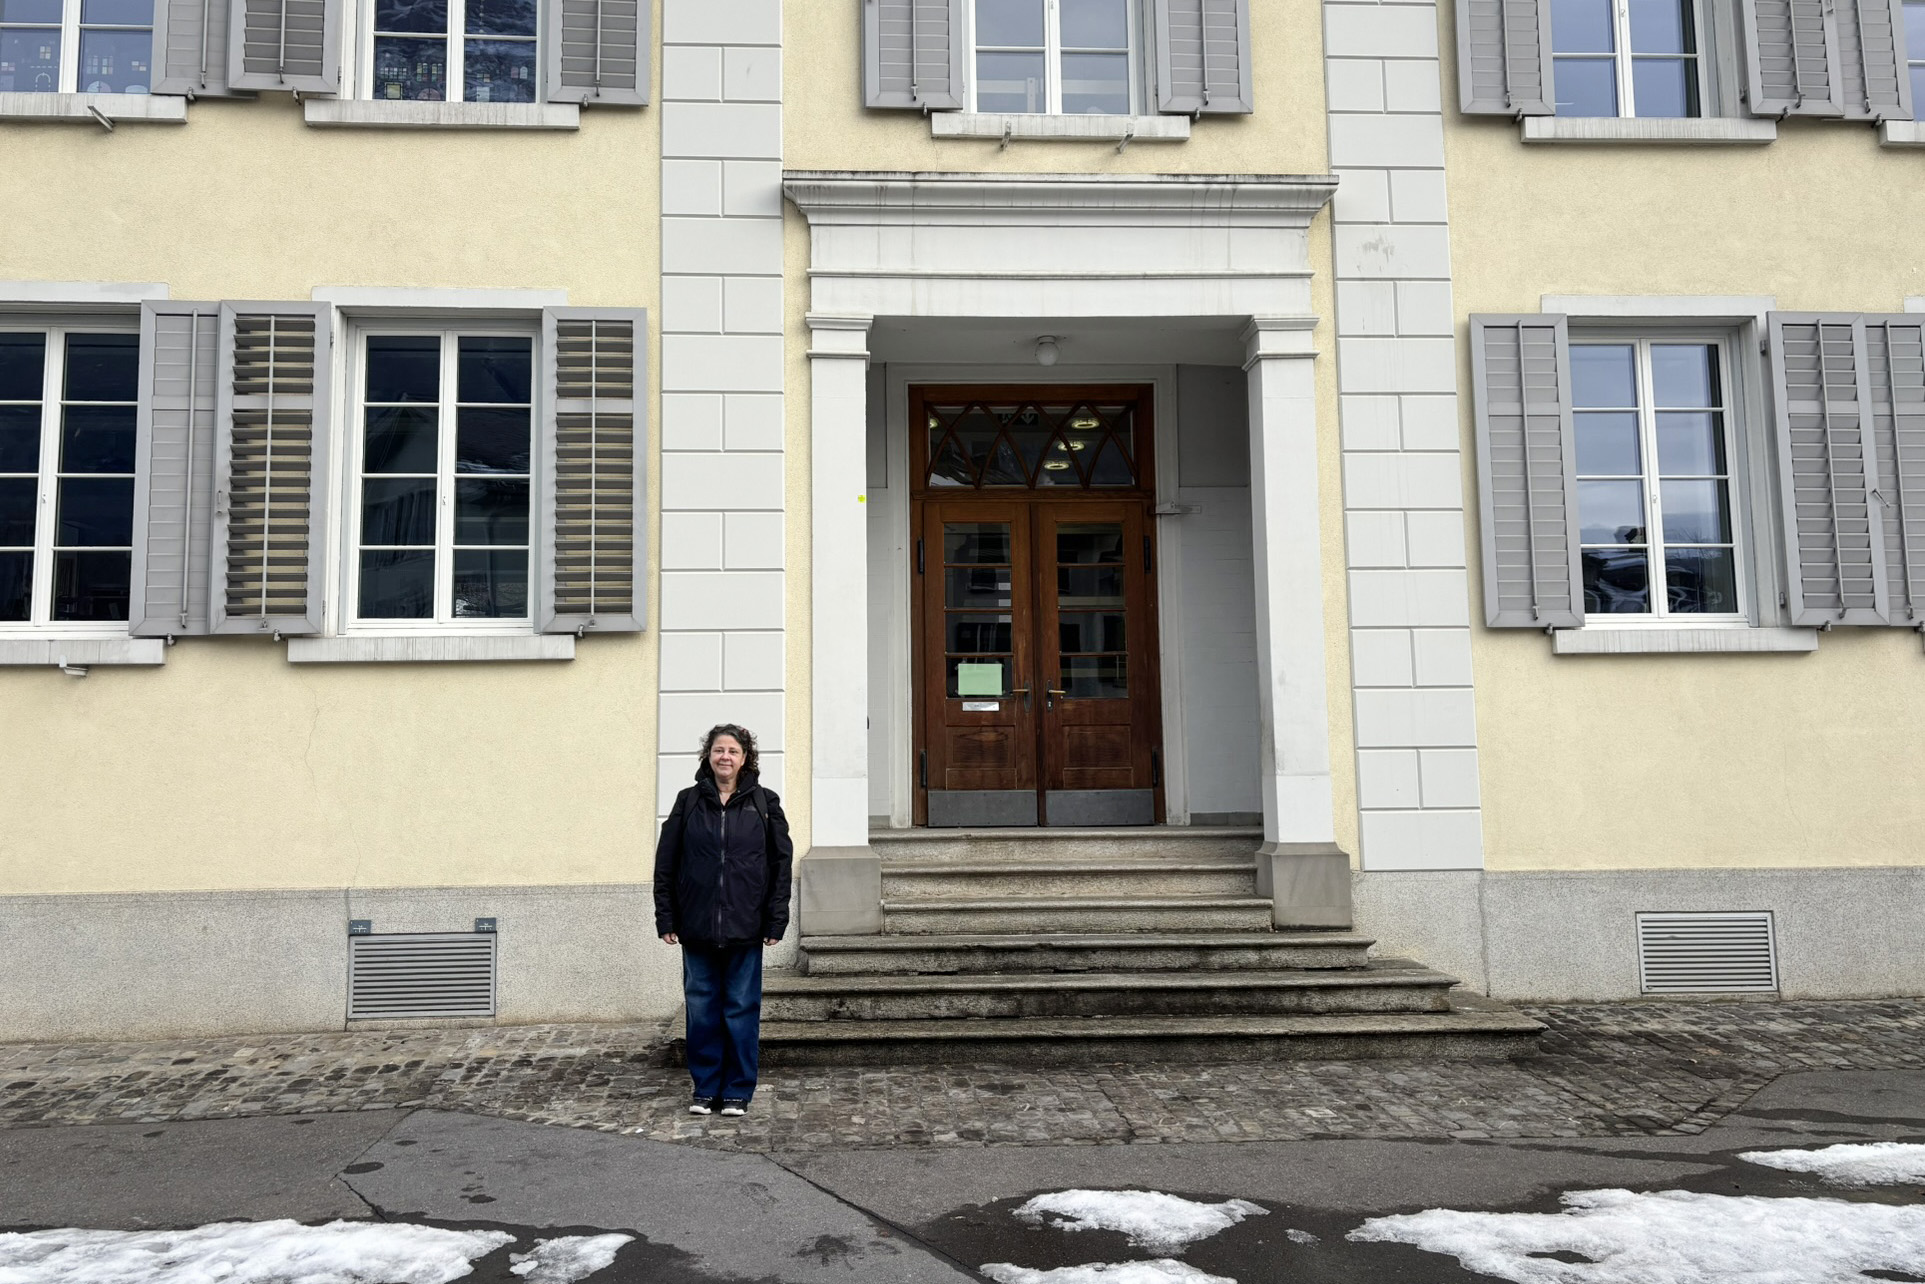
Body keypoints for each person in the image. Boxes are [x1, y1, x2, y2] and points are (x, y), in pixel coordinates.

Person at [653, 723, 793, 1117]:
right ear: (707, 757)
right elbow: (666, 864)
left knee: (740, 1010)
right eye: (718, 750)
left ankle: (737, 1090)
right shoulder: (688, 802)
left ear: (745, 758)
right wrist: (666, 916)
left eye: (732, 750)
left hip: (745, 927)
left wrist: (775, 920)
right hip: (696, 926)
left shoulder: (765, 804)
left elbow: (780, 867)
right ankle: (706, 1088)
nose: (725, 757)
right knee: (701, 1011)